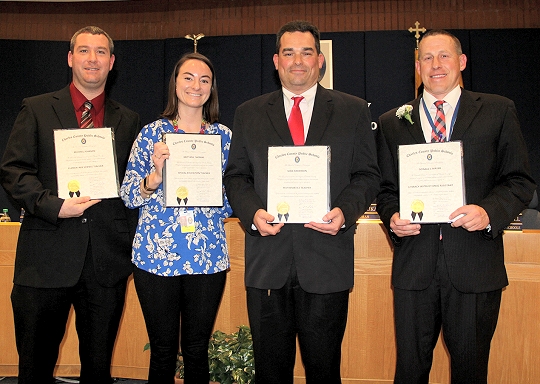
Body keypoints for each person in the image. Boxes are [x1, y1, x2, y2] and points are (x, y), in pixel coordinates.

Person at [223, 20, 381, 384]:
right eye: (289, 53)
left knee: (324, 370)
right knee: (270, 371)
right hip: (268, 261)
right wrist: (252, 213)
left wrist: (344, 211)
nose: (298, 61)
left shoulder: (352, 110)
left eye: (306, 52)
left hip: (326, 259)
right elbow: (236, 177)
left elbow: (367, 175)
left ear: (320, 60)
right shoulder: (249, 113)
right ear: (276, 61)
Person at [376, 29, 536, 383]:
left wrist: (488, 212)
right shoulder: (392, 122)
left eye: (444, 56)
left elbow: (520, 181)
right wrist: (392, 218)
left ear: (461, 61)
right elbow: (386, 190)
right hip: (414, 268)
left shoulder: (497, 110)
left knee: (470, 371)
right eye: (427, 58)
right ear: (417, 67)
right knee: (410, 371)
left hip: (475, 265)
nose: (436, 65)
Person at [0, 26, 141, 384]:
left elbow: (131, 187)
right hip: (45, 256)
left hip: (105, 263)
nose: (91, 59)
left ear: (111, 62)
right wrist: (53, 205)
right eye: (83, 51)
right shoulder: (36, 109)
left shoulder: (129, 120)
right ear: (70, 58)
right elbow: (14, 171)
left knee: (98, 369)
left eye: (100, 52)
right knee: (35, 367)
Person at [120, 52, 232, 384]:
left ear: (211, 89)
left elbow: (236, 199)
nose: (195, 85)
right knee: (163, 351)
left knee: (197, 350)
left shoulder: (224, 139)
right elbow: (127, 195)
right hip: (156, 258)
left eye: (204, 79)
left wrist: (214, 197)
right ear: (175, 83)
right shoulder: (152, 134)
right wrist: (154, 178)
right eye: (188, 77)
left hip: (206, 259)